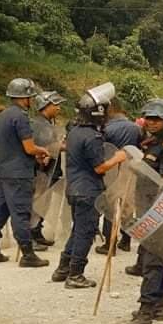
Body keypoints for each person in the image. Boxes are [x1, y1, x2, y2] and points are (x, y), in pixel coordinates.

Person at [52, 85, 126, 288]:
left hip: (74, 188)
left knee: (78, 229)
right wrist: (118, 157)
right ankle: (75, 275)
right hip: (88, 190)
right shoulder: (92, 136)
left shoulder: (74, 132)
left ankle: (63, 268)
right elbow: (99, 167)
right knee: (85, 232)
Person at [123, 100, 163, 324]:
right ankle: (159, 306)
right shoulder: (152, 143)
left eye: (157, 119)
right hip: (148, 208)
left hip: (159, 212)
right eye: (149, 118)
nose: (151, 122)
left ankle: (145, 311)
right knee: (158, 259)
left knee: (152, 261)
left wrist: (152, 217)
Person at [0, 78, 50, 267]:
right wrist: (42, 151)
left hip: (3, 171)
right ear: (25, 97)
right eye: (31, 97)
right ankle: (28, 255)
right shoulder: (21, 117)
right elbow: (29, 148)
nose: (32, 100)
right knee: (21, 213)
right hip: (19, 173)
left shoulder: (3, 115)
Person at [96, 98, 144, 255]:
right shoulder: (137, 128)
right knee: (127, 206)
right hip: (130, 170)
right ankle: (126, 240)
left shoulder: (106, 129)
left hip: (112, 170)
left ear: (110, 110)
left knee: (110, 205)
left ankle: (110, 244)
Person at [30, 91, 66, 249]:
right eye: (55, 105)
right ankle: (30, 236)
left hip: (51, 171)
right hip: (41, 171)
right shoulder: (39, 125)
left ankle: (37, 232)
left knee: (43, 204)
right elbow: (40, 147)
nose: (58, 108)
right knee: (36, 203)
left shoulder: (48, 124)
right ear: (45, 106)